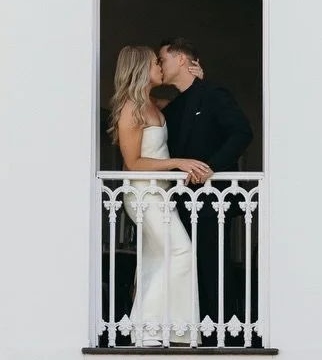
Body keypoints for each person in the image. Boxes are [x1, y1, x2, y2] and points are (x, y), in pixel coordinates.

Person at [109, 45, 211, 344]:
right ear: (141, 68)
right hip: (144, 195)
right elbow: (133, 163)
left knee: (157, 259)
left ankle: (170, 331)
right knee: (181, 251)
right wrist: (178, 163)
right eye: (156, 62)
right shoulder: (131, 108)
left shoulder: (154, 104)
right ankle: (148, 328)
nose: (160, 67)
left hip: (161, 194)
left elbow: (188, 106)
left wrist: (198, 82)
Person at [157, 38, 254, 339]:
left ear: (181, 59)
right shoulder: (174, 107)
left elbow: (242, 133)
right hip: (182, 201)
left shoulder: (212, 94)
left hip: (213, 202)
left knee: (214, 268)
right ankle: (195, 332)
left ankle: (224, 335)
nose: (160, 65)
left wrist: (210, 168)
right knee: (188, 268)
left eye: (162, 59)